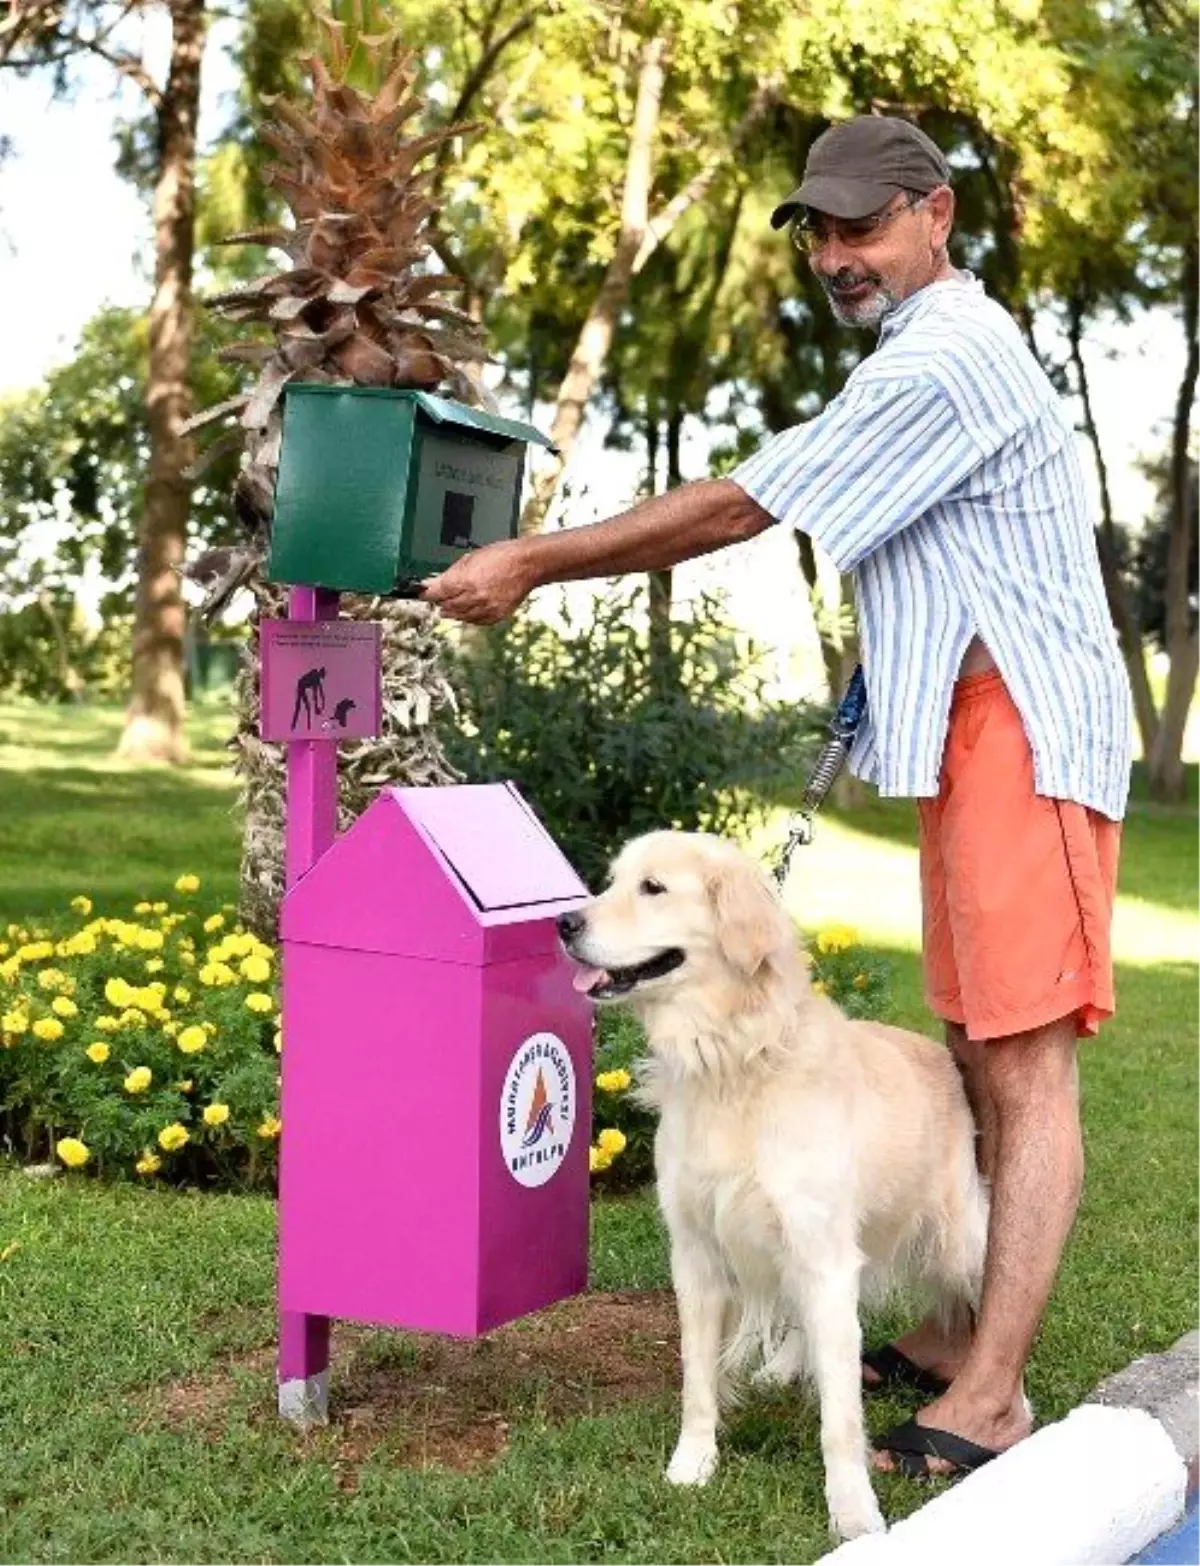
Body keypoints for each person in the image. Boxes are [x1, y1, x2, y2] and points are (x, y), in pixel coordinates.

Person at [423, 115, 1133, 1479]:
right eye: (817, 227)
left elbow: (746, 504)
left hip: (1026, 734)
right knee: (976, 1035)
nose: (834, 251)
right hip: (961, 724)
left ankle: (989, 1393)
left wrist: (530, 560)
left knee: (1025, 1061)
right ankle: (947, 1331)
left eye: (861, 223)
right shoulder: (914, 351)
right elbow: (941, 548)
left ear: (936, 216)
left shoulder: (948, 353)